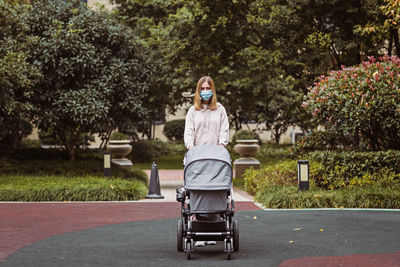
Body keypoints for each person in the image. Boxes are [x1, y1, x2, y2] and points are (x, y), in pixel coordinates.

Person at [184, 76, 229, 247]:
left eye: (207, 88)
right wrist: (191, 148)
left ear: (213, 90)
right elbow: (189, 132)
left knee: (215, 189)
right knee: (198, 189)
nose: (205, 91)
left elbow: (224, 130)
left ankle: (215, 221)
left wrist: (221, 146)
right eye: (202, 89)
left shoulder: (220, 110)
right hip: (197, 157)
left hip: (216, 157)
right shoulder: (192, 111)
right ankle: (198, 221)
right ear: (198, 91)